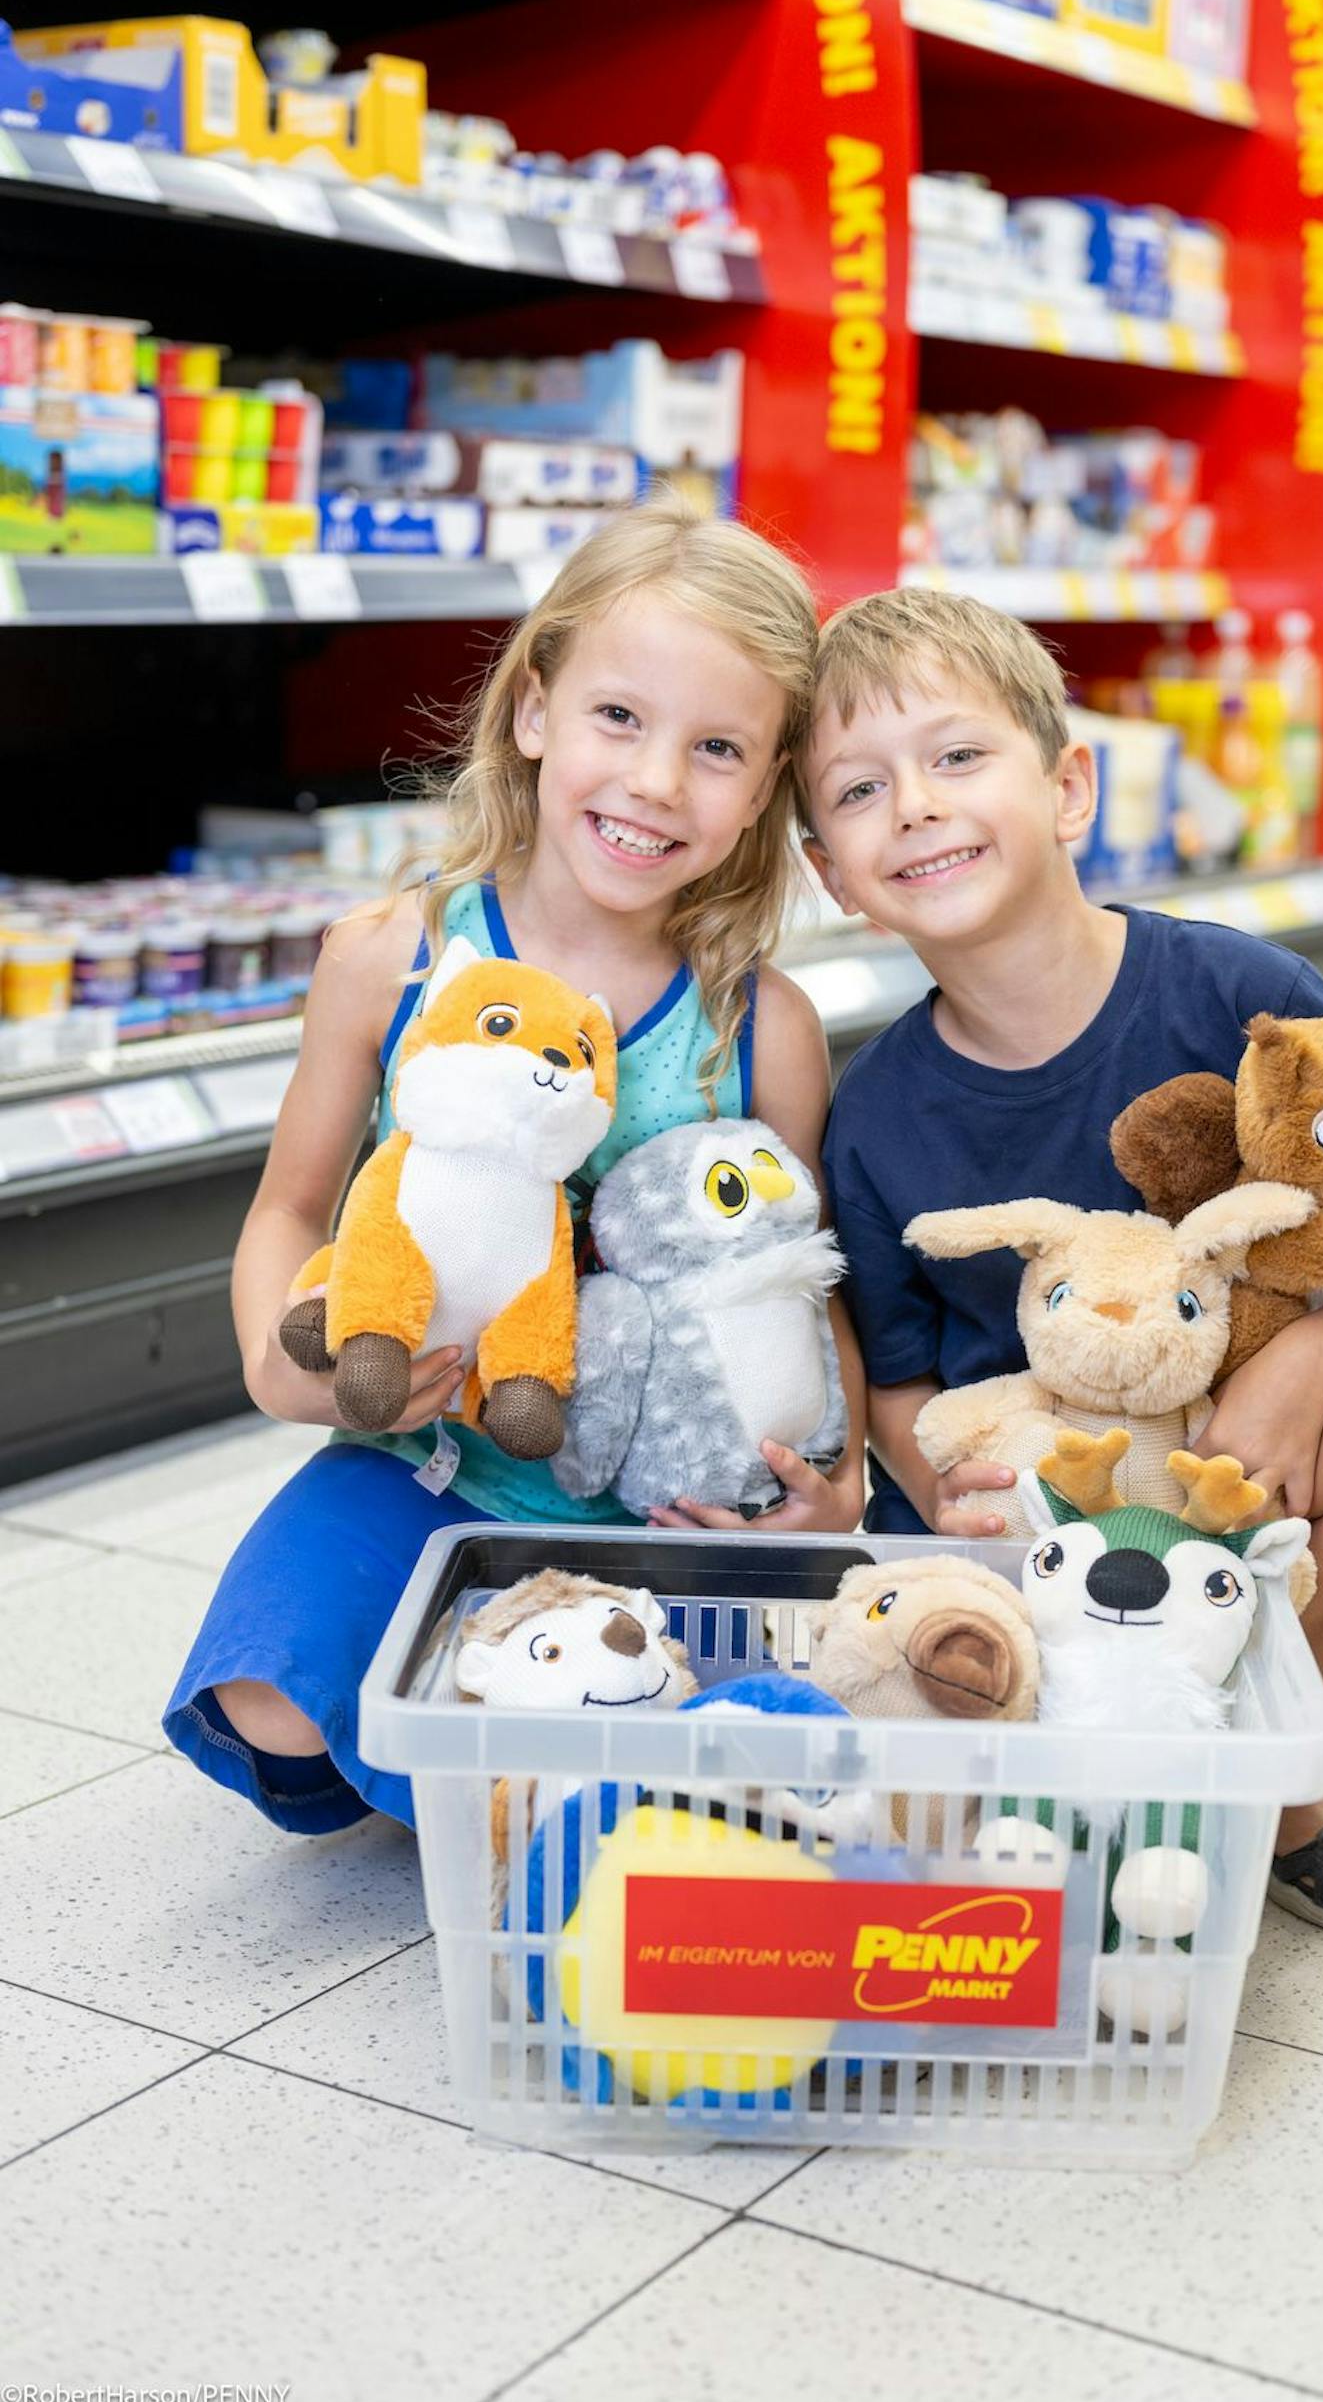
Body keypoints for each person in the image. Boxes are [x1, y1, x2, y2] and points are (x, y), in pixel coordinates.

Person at [163, 497, 864, 1835]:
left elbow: (801, 1276)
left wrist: (837, 1484)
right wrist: (274, 1358)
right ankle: (552, 1764)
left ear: (768, 785)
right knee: (276, 1710)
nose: (657, 780)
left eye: (717, 747)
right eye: (619, 717)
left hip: (672, 1502)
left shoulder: (759, 1025)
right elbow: (292, 1208)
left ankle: (531, 1752)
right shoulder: (393, 956)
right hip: (421, 1459)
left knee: (785, 1737)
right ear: (533, 707)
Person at [798, 586, 1323, 1936]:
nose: (918, 806)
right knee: (919, 1815)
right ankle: (1076, 1783)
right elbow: (895, 1382)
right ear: (829, 870)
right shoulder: (871, 1114)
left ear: (1067, 786)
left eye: (955, 756)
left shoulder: (1239, 997)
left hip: (1226, 1471)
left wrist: (1309, 1355)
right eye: (861, 790)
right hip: (1032, 1517)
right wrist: (955, 1493)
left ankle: (1251, 1771)